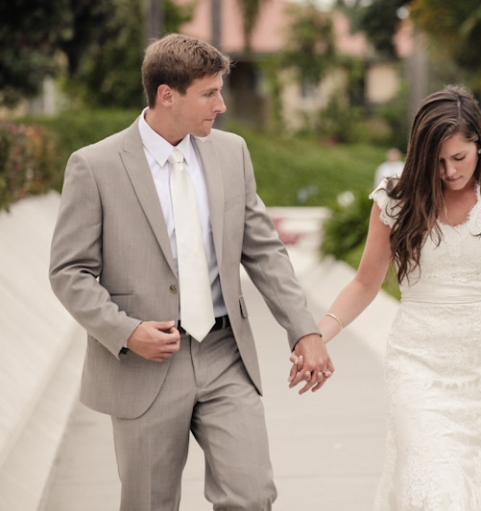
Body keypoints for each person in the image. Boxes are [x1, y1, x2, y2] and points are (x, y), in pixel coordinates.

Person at [49, 34, 333, 511]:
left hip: (225, 351)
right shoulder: (94, 166)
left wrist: (304, 329)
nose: (221, 105)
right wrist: (126, 331)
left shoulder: (232, 153)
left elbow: (264, 250)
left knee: (252, 495)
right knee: (149, 503)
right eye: (209, 93)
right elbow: (69, 271)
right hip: (145, 362)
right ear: (167, 95)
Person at [304, 85, 481, 509]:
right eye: (437, 161)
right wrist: (315, 335)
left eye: (458, 158)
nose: (448, 171)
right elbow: (364, 284)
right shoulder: (396, 200)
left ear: (479, 145)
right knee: (435, 486)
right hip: (418, 365)